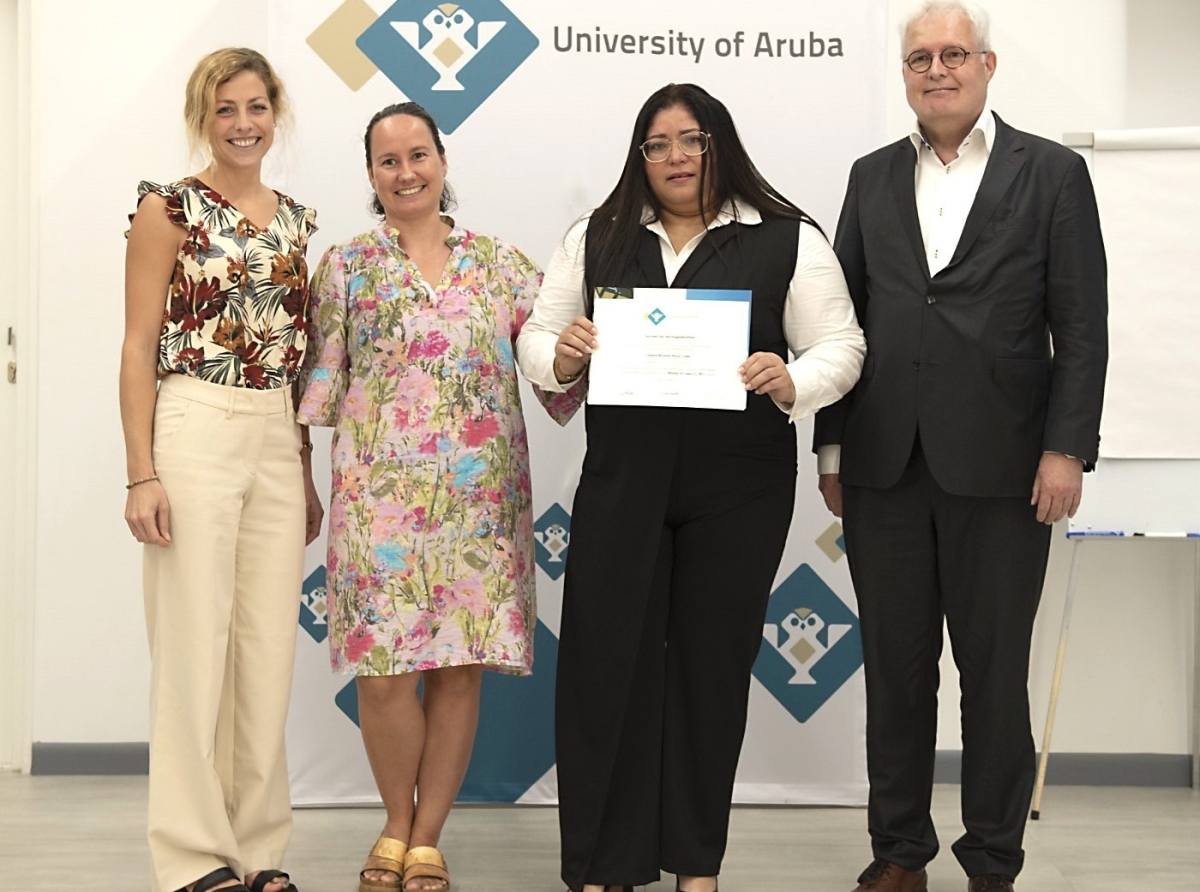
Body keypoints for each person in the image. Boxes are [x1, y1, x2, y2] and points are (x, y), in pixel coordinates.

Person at [517, 83, 866, 892]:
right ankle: (607, 865)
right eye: (658, 144)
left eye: (691, 141)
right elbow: (538, 339)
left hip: (737, 488)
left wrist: (791, 377)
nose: (675, 158)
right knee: (606, 670)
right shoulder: (597, 237)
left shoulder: (787, 238)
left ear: (720, 146)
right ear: (639, 157)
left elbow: (843, 346)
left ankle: (695, 865)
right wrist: (563, 354)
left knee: (710, 674)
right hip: (622, 480)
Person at [813, 3, 1108, 891]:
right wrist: (831, 449)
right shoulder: (869, 178)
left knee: (993, 681)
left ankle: (991, 861)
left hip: (1006, 469)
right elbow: (843, 318)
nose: (935, 70)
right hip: (882, 464)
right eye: (918, 59)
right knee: (897, 676)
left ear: (985, 66)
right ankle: (899, 852)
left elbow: (1081, 327)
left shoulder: (1053, 174)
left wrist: (1067, 451)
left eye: (951, 55)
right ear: (903, 74)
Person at [297, 102, 541, 892]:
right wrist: (300, 476)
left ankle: (427, 837)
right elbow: (315, 393)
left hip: (479, 504)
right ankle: (393, 825)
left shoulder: (504, 265)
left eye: (418, 155)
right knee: (384, 675)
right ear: (370, 175)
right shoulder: (345, 267)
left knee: (459, 670)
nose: (406, 172)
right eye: (388, 160)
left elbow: (556, 374)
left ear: (443, 160)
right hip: (377, 502)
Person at [120, 48, 322, 892]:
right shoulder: (168, 208)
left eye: (256, 106)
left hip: (277, 432)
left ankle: (258, 848)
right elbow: (135, 345)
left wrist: (305, 469)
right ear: (203, 118)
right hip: (194, 419)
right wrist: (141, 473)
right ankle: (192, 856)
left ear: (276, 113)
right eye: (225, 108)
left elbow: (300, 358)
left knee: (267, 649)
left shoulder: (299, 223)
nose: (243, 123)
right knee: (194, 643)